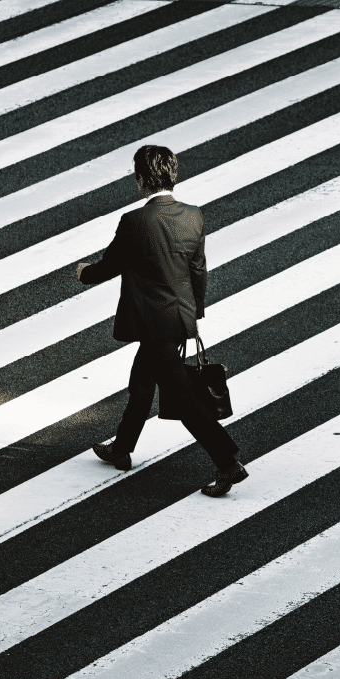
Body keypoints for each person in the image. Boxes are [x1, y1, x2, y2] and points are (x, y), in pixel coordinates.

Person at [75, 144, 248, 497]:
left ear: (141, 180)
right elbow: (197, 270)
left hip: (151, 321)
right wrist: (193, 314)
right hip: (178, 317)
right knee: (142, 381)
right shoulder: (193, 216)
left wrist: (83, 273)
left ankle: (228, 462)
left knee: (182, 399)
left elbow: (109, 266)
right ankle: (122, 447)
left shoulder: (136, 221)